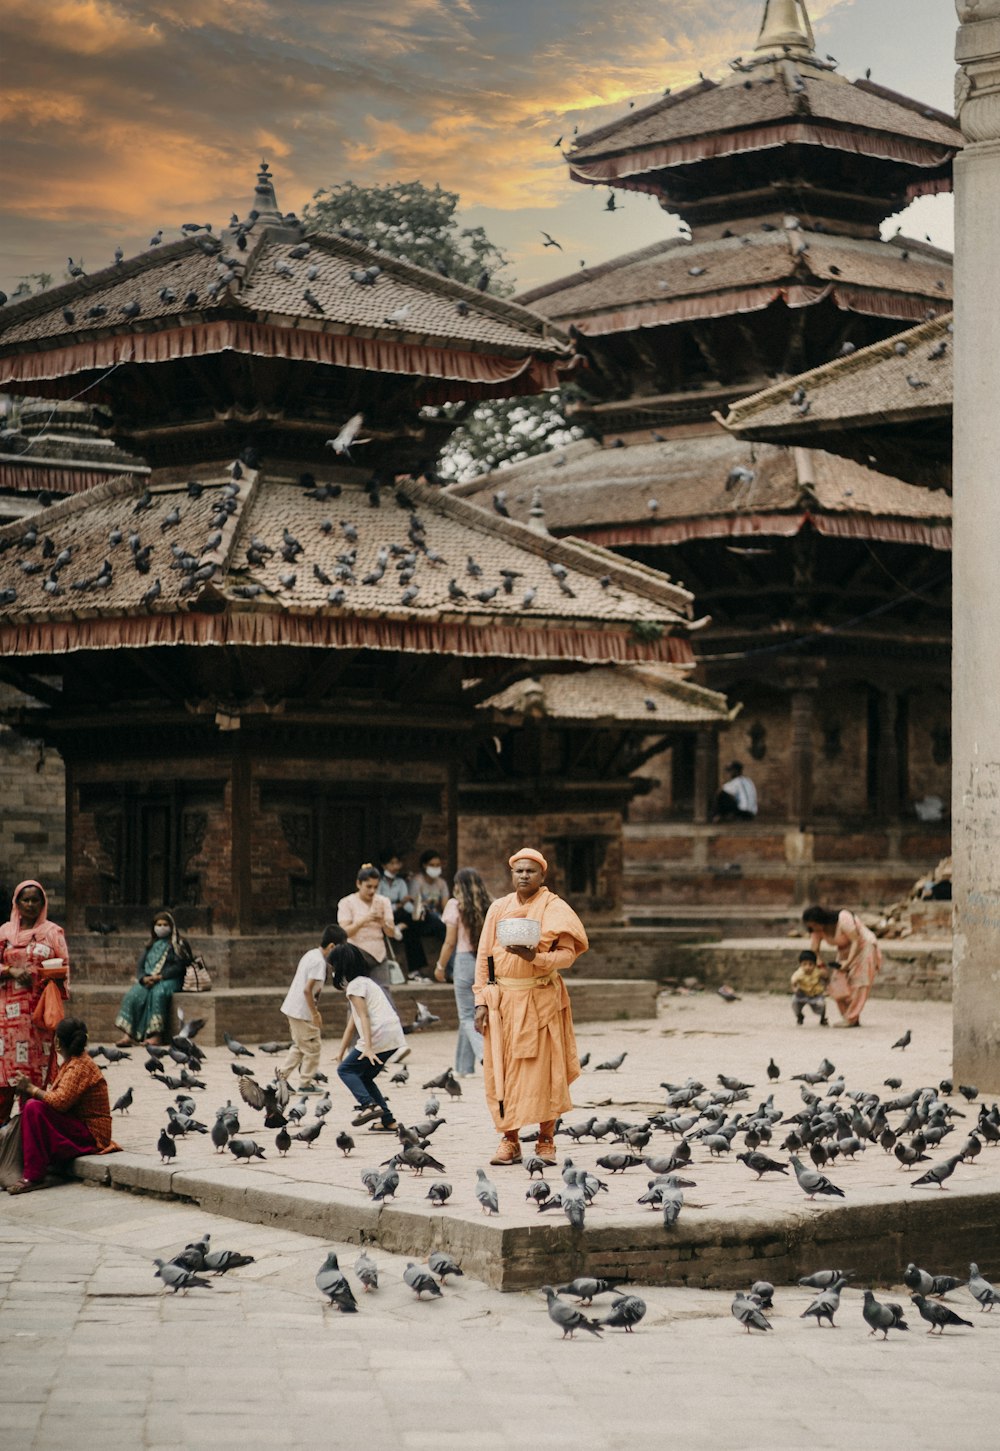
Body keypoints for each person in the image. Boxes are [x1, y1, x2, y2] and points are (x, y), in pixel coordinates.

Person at [473, 848, 588, 1167]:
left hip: (540, 1001)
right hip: (502, 1004)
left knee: (543, 1073)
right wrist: (480, 1000)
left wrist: (534, 958)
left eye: (530, 871)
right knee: (502, 1072)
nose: (524, 875)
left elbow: (567, 955)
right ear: (512, 875)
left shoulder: (555, 907)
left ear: (543, 876)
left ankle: (546, 1139)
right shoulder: (498, 908)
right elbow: (486, 957)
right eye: (518, 871)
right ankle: (509, 1139)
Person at [7, 1017, 119, 1194]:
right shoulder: (73, 1063)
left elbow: (59, 1102)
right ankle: (37, 1168)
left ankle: (34, 1175)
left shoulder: (80, 1066)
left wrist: (31, 1088)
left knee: (34, 1108)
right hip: (79, 1125)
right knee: (33, 1106)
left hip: (93, 1134)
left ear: (57, 1043)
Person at [0, 880, 70, 1126]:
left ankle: (31, 1136)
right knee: (3, 1078)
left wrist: (48, 975)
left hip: (38, 1015)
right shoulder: (5, 932)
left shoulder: (52, 932)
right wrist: (10, 970)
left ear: (43, 903)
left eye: (35, 900)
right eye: (25, 900)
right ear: (17, 903)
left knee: (33, 1075)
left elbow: (64, 968)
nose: (30, 904)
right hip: (6, 1018)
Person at [330, 944, 406, 1133]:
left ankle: (368, 1106)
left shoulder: (355, 987)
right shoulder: (366, 982)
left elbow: (364, 1017)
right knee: (364, 1077)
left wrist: (368, 1048)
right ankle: (388, 1120)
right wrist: (340, 1051)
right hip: (393, 1035)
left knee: (345, 1071)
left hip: (378, 1035)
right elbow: (352, 1023)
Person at [434, 867, 492, 1076]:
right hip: (486, 961)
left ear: (459, 885)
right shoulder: (491, 905)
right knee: (468, 1016)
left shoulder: (454, 905)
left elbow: (449, 942)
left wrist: (440, 966)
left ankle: (485, 1053)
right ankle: (463, 1067)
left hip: (465, 961)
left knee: (467, 1015)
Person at [277, 924, 346, 1094]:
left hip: (295, 1009)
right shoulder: (318, 963)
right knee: (313, 1047)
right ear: (332, 947)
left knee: (300, 1046)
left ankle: (280, 1079)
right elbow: (308, 990)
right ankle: (305, 1084)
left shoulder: (311, 955)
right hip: (301, 1011)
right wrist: (314, 1014)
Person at [113, 910, 192, 1048]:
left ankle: (156, 1035)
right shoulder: (150, 945)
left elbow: (180, 965)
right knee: (134, 994)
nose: (161, 927)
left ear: (171, 926)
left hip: (170, 980)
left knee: (158, 994)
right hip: (149, 980)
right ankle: (129, 1035)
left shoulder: (178, 943)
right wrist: (144, 979)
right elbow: (140, 966)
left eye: (165, 924)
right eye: (158, 924)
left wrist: (160, 976)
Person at [802, 904, 882, 1028]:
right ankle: (849, 1016)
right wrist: (820, 967)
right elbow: (814, 951)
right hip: (844, 951)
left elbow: (855, 940)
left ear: (821, 920)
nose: (813, 929)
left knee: (860, 983)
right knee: (837, 985)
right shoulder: (816, 930)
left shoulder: (843, 918)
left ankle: (851, 1018)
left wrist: (848, 963)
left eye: (814, 925)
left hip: (864, 947)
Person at [338, 864, 404, 995]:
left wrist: (382, 922)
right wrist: (365, 919)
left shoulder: (383, 901)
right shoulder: (346, 902)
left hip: (379, 953)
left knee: (383, 995)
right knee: (357, 996)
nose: (372, 891)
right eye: (368, 887)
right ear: (358, 883)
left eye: (375, 887)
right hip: (356, 952)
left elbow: (391, 933)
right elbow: (344, 933)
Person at [405, 850, 449, 981]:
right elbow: (415, 904)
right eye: (432, 865)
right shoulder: (417, 881)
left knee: (448, 931)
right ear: (424, 865)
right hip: (421, 919)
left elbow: (446, 906)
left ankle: (449, 968)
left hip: (436, 920)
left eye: (438, 865)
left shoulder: (441, 883)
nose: (435, 868)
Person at [790, 949, 829, 1027]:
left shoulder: (817, 972)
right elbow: (793, 983)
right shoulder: (798, 974)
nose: (808, 967)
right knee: (794, 1002)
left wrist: (826, 986)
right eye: (804, 964)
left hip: (815, 994)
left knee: (822, 1004)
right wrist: (795, 989)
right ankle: (799, 1016)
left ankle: (822, 1018)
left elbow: (825, 977)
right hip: (802, 993)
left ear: (814, 965)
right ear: (801, 965)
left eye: (810, 964)